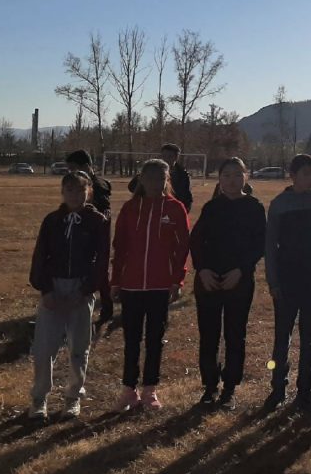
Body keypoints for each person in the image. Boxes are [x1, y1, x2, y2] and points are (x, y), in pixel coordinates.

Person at [27, 171, 110, 420]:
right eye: (70, 190)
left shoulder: (97, 221)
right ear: (62, 192)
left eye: (81, 190)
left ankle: (73, 396)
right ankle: (39, 397)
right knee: (44, 348)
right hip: (54, 287)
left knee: (79, 348)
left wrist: (85, 291)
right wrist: (46, 290)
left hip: (81, 289)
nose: (75, 195)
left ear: (89, 192)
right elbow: (40, 256)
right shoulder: (52, 221)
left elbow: (101, 260)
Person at [111, 158, 190, 412]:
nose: (155, 183)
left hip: (160, 286)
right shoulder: (130, 208)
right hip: (131, 286)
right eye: (150, 178)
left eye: (161, 179)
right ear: (141, 179)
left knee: (155, 339)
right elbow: (120, 246)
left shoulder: (175, 208)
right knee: (131, 339)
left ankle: (150, 389)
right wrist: (115, 281)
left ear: (167, 181)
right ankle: (128, 389)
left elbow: (182, 248)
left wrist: (177, 280)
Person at [189, 157, 266, 410]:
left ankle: (230, 387)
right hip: (209, 281)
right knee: (209, 334)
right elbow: (196, 242)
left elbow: (259, 243)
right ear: (219, 179)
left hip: (239, 281)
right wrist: (203, 270)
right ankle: (210, 386)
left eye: (237, 175)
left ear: (246, 177)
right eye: (226, 175)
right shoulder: (212, 208)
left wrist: (241, 269)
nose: (232, 180)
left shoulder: (254, 207)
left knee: (235, 334)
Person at [265, 153, 311, 410]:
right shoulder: (279, 205)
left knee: (308, 337)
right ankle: (277, 388)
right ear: (292, 176)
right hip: (286, 280)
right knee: (282, 337)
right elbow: (270, 246)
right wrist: (273, 281)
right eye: (305, 173)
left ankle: (306, 390)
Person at [65, 149, 114, 323]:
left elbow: (105, 213)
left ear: (86, 166)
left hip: (95, 235)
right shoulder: (85, 183)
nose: (71, 172)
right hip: (83, 233)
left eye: (73, 168)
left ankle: (106, 307)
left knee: (100, 271)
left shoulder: (98, 185)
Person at [128, 143, 193, 212]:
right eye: (163, 156)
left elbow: (187, 198)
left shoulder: (183, 176)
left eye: (170, 156)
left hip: (171, 210)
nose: (166, 159)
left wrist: (183, 211)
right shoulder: (150, 171)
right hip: (149, 208)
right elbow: (132, 187)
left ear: (176, 157)